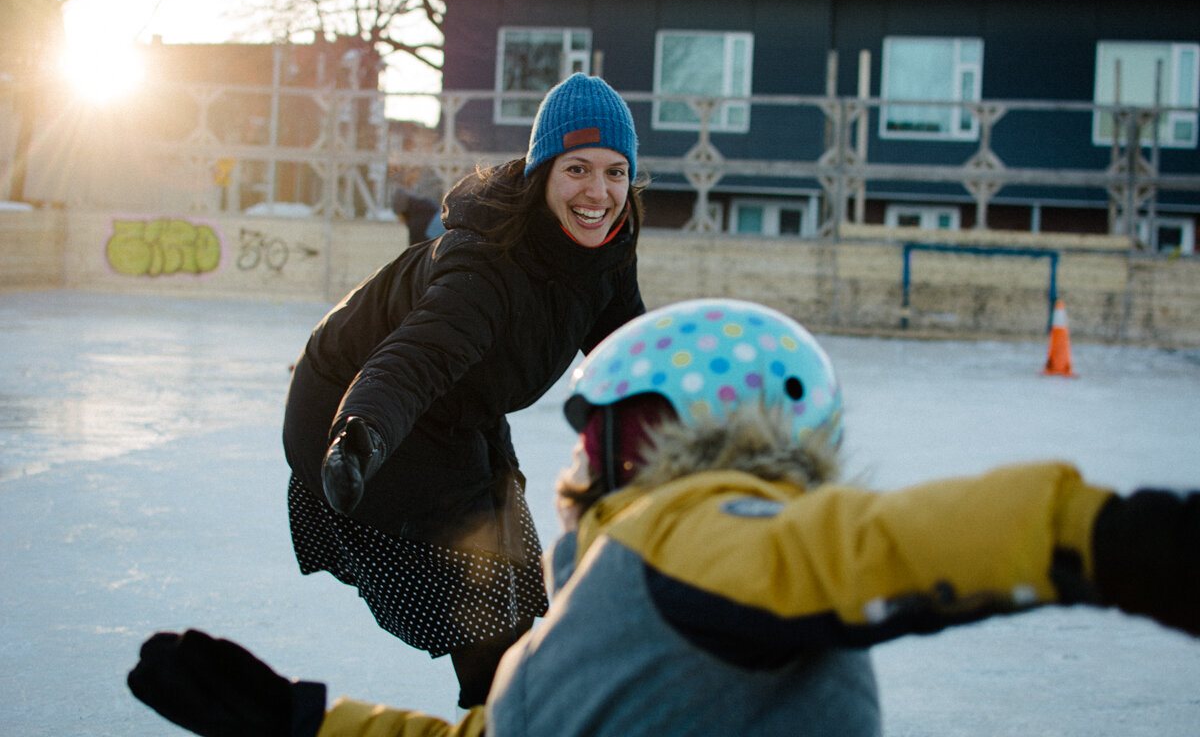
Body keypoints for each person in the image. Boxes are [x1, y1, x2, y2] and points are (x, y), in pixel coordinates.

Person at [129, 299, 1200, 737]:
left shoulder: (693, 528)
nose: (584, 454)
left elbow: (868, 545)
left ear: (686, 435)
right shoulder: (610, 581)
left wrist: (1102, 536)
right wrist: (309, 718)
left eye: (615, 428)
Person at [281, 73, 646, 707]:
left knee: (514, 580)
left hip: (461, 408)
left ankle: (508, 705)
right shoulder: (486, 267)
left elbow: (632, 355)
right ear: (542, 174)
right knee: (486, 613)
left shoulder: (607, 247)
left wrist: (707, 428)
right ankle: (501, 712)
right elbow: (415, 359)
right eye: (578, 169)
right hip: (359, 411)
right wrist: (359, 431)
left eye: (616, 172)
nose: (599, 192)